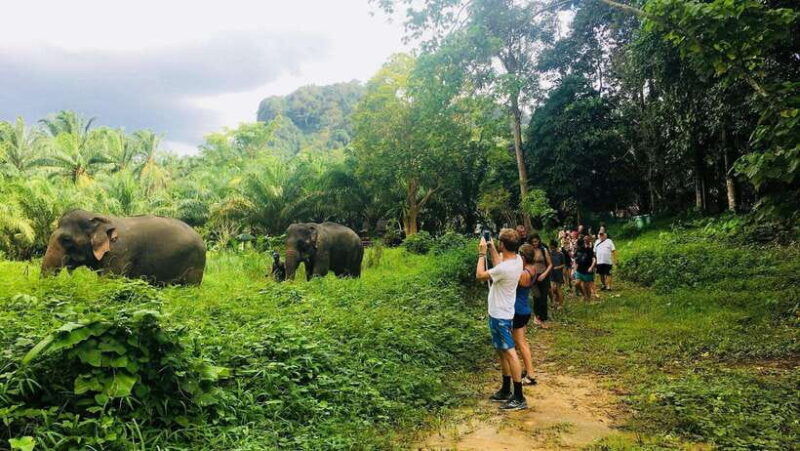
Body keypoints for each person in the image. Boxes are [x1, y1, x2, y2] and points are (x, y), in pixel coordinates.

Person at [476, 228, 527, 410]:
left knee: (510, 353)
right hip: (501, 313)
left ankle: (519, 397)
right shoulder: (517, 260)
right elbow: (499, 264)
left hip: (501, 316)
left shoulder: (505, 268)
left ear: (503, 245)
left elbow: (480, 275)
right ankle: (506, 389)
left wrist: (482, 254)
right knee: (502, 351)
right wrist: (491, 248)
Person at [514, 244, 539, 386]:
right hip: (523, 309)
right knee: (521, 342)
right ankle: (527, 370)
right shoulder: (532, 268)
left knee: (520, 343)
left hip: (518, 310)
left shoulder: (524, 274)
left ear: (523, 256)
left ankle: (530, 374)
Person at [528, 233, 553, 327]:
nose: (535, 243)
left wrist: (544, 274)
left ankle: (543, 319)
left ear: (539, 241)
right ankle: (536, 316)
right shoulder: (529, 251)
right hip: (533, 276)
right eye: (533, 242)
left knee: (543, 297)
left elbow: (550, 264)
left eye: (536, 241)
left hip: (543, 275)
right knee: (536, 297)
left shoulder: (543, 250)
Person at [573, 237, 596, 301]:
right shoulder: (577, 251)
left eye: (578, 245)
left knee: (586, 286)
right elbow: (575, 261)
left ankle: (588, 298)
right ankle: (584, 295)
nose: (577, 246)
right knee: (577, 284)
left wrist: (591, 267)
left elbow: (594, 259)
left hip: (587, 270)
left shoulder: (588, 250)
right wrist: (573, 271)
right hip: (579, 270)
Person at [548, 240, 565, 310]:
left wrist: (558, 267)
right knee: (552, 288)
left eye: (553, 248)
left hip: (558, 274)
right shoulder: (548, 254)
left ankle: (560, 305)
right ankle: (554, 302)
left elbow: (563, 264)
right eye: (551, 248)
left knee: (558, 289)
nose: (552, 249)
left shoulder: (560, 254)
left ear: (556, 247)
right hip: (551, 273)